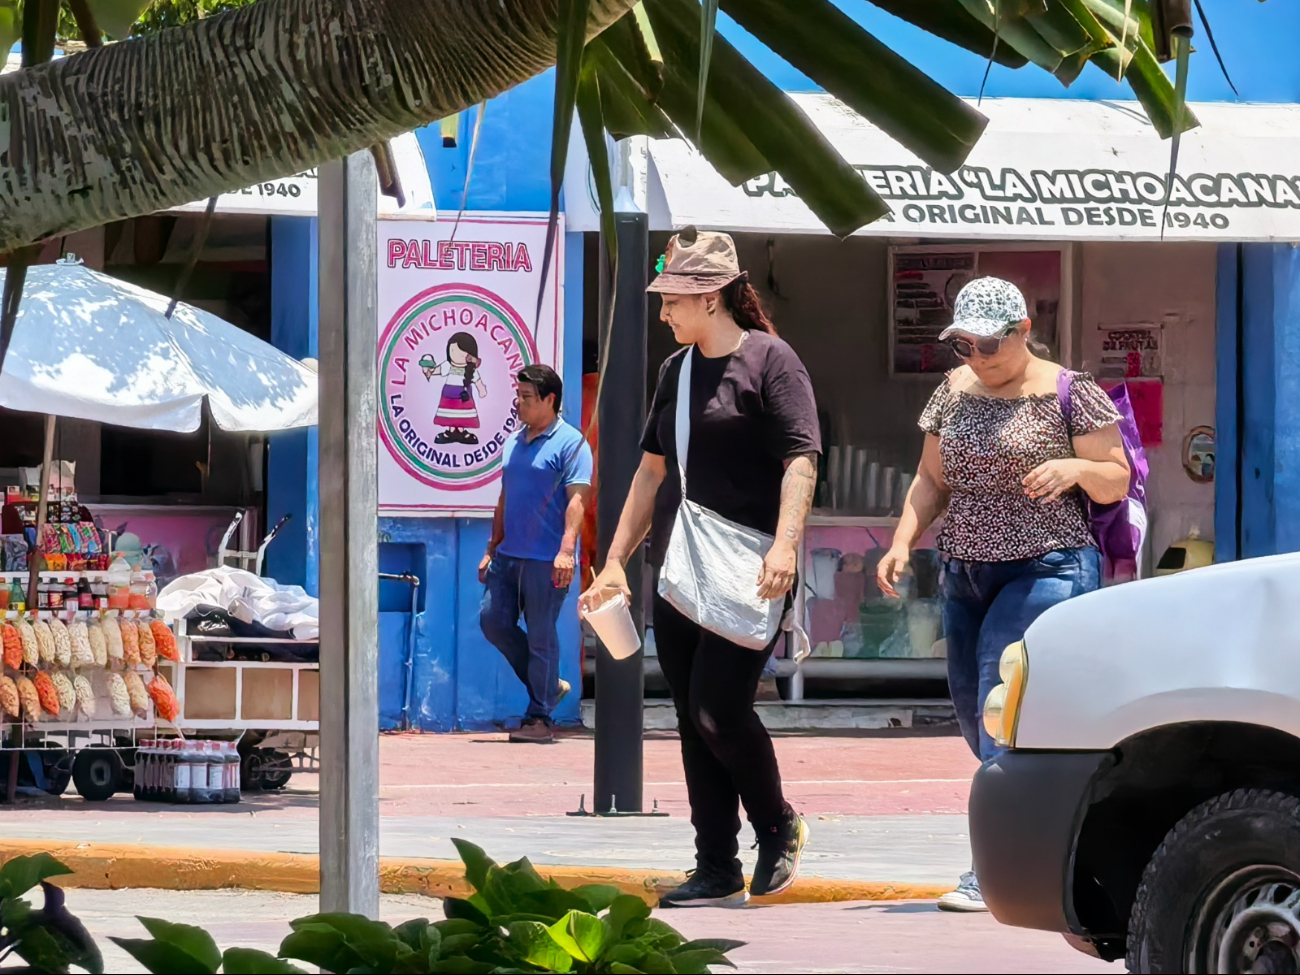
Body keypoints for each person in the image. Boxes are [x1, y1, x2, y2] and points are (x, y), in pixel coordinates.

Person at [581, 227, 821, 908]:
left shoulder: (772, 362)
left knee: (721, 710)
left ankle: (777, 825)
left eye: (674, 302)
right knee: (690, 718)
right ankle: (714, 861)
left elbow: (801, 459)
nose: (664, 314)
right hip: (683, 567)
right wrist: (616, 563)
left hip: (751, 564)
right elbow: (650, 471)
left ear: (711, 297)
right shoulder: (677, 373)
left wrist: (786, 543)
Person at [877, 276, 1130, 912]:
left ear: (1022, 332)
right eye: (962, 345)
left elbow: (1115, 480)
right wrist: (903, 539)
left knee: (1001, 703)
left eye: (989, 344)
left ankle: (989, 871)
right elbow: (930, 481)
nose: (977, 357)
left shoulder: (1072, 393)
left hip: (1046, 566)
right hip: (965, 571)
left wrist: (1075, 468)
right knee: (974, 713)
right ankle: (1053, 838)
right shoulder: (954, 392)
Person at [480, 365, 593, 744]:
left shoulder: (571, 443)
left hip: (547, 559)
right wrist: (491, 547)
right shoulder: (513, 443)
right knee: (492, 622)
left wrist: (566, 550)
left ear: (550, 400)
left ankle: (540, 715)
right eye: (519, 395)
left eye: (527, 398)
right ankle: (547, 685)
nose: (519, 403)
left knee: (541, 635)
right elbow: (505, 498)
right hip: (508, 555)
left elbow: (577, 501)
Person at [421, 331, 487, 445]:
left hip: (464, 398)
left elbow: (477, 381)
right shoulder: (448, 365)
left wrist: (482, 389)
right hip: (449, 396)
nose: (455, 354)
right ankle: (451, 431)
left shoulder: (471, 370)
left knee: (462, 415)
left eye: (459, 352)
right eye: (452, 350)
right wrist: (429, 371)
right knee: (450, 414)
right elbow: (438, 370)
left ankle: (461, 432)